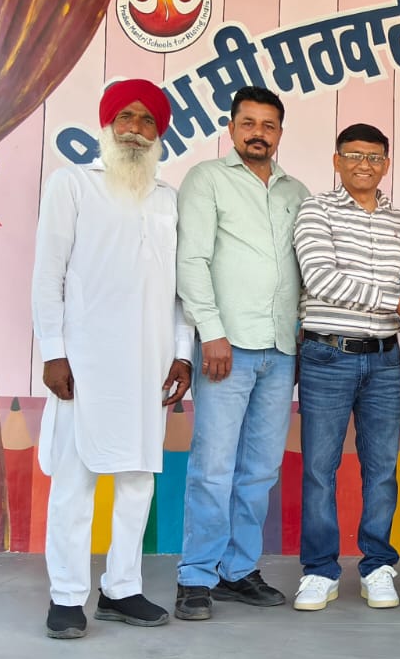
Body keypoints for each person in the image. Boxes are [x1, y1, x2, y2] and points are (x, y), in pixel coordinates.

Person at [32, 79, 192, 638]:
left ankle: (121, 589)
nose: (135, 129)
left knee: (137, 481)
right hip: (84, 363)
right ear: (107, 125)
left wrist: (182, 354)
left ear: (159, 134)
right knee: (74, 483)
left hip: (150, 365)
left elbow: (180, 289)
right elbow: (47, 275)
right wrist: (53, 353)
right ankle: (66, 596)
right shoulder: (73, 184)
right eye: (125, 117)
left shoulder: (169, 199)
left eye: (147, 121)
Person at [174, 86, 310, 620]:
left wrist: (301, 331)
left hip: (281, 348)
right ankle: (195, 575)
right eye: (248, 123)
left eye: (268, 125)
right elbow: (192, 260)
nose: (258, 133)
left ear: (280, 133)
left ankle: (238, 570)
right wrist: (211, 332)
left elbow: (305, 268)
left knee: (259, 470)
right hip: (225, 348)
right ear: (231, 128)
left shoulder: (296, 191)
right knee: (213, 466)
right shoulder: (207, 179)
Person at [293, 123, 400, 611]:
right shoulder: (316, 209)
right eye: (353, 155)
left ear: (386, 165)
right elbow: (321, 279)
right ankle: (319, 571)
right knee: (320, 469)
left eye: (374, 157)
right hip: (326, 355)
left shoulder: (398, 221)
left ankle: (378, 566)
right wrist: (396, 301)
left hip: (384, 359)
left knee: (381, 469)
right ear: (336, 161)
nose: (364, 165)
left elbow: (387, 285)